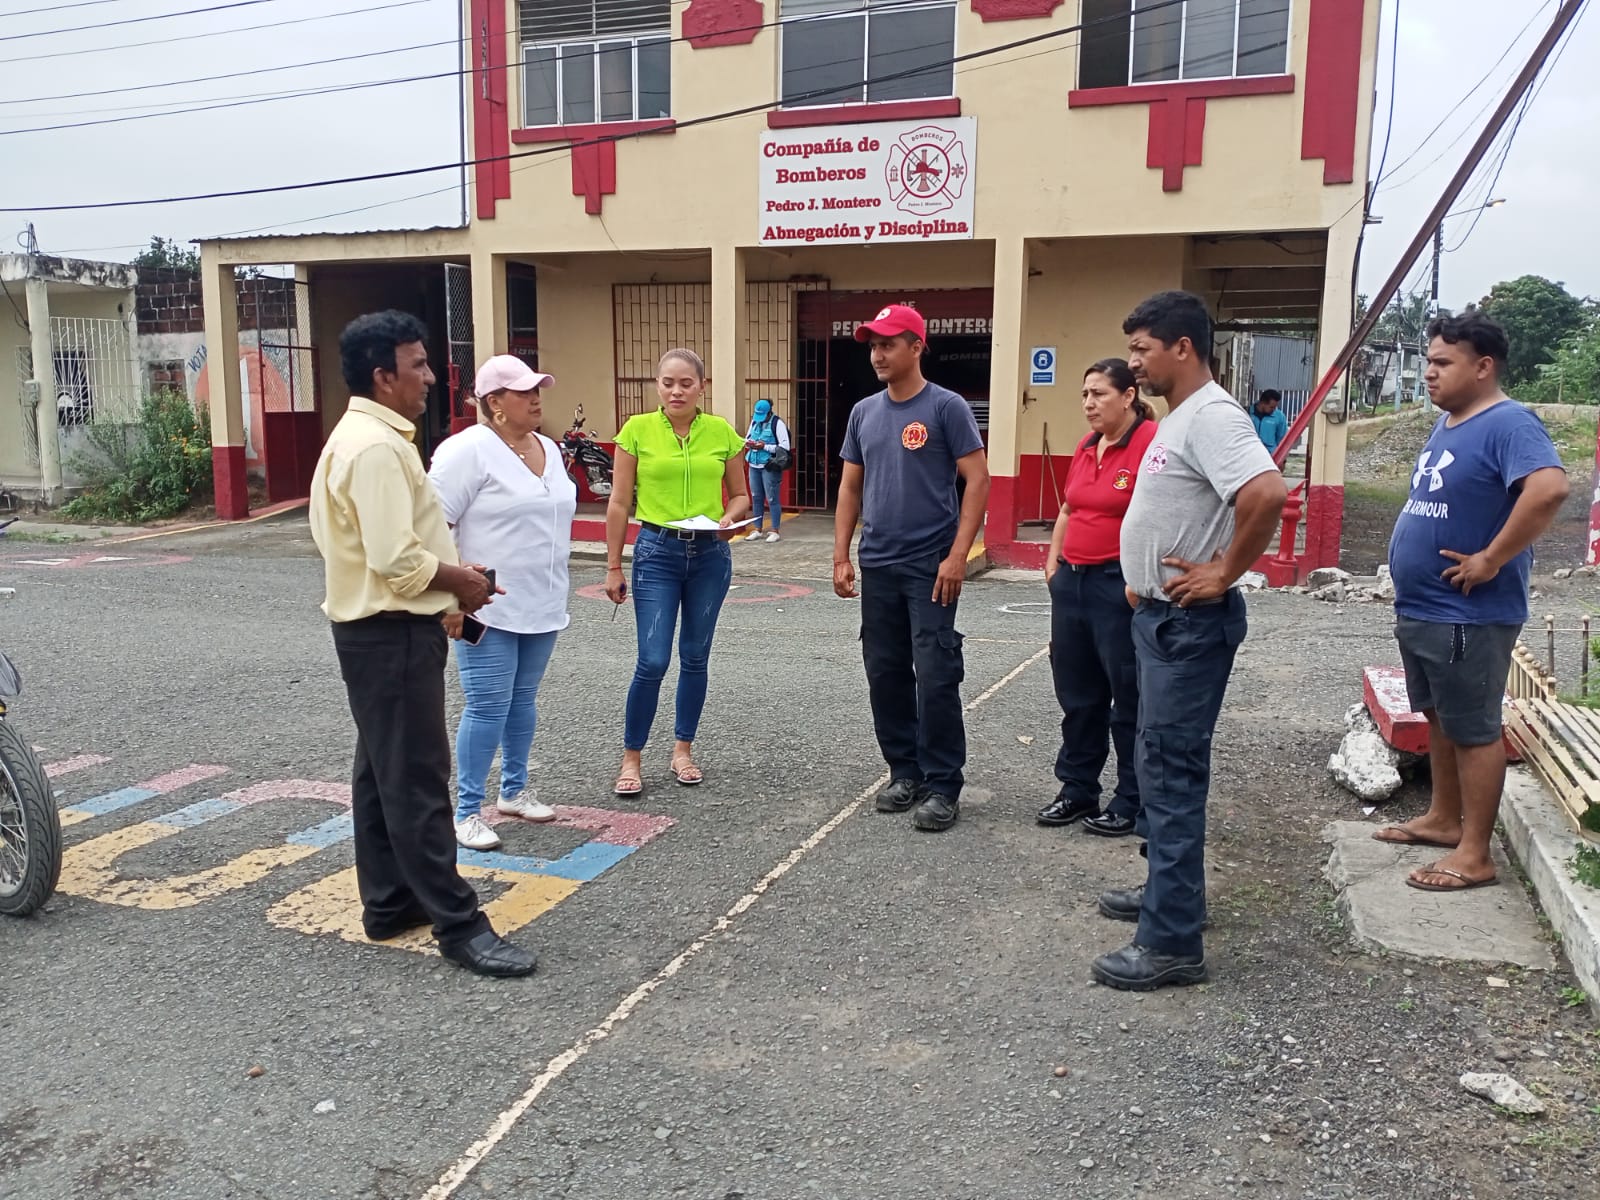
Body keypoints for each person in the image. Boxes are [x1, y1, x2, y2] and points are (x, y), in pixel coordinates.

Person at [309, 310, 537, 979]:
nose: (432, 377)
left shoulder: (358, 437)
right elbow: (398, 562)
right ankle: (459, 925)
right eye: (418, 365)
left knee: (381, 775)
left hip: (374, 632)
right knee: (414, 781)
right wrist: (461, 582)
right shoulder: (376, 449)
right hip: (391, 633)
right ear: (384, 376)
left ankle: (389, 902)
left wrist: (454, 581)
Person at [1092, 290, 1286, 992]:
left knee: (1171, 773)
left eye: (1142, 349)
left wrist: (1224, 571)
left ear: (1182, 348)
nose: (1134, 363)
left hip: (1188, 625)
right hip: (1161, 618)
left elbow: (1266, 493)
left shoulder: (1211, 416)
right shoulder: (1180, 417)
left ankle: (1171, 943)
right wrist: (1141, 577)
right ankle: (1173, 897)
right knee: (1160, 765)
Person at [1373, 312, 1567, 891]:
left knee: (1475, 727)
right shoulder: (1450, 423)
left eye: (1442, 363)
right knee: (1439, 715)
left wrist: (1491, 558)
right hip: (1426, 608)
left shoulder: (1509, 423)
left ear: (1483, 367)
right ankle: (1442, 818)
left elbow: (1549, 488)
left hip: (1468, 614)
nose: (1429, 373)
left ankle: (1475, 853)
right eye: (1428, 361)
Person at [834, 304, 990, 833]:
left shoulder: (946, 407)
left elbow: (978, 481)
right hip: (878, 563)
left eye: (888, 344)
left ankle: (944, 783)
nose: (878, 354)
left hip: (931, 566)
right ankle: (905, 771)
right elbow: (850, 487)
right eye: (873, 346)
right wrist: (841, 555)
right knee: (885, 672)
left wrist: (958, 556)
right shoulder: (864, 413)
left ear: (917, 347)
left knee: (937, 674)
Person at [427, 355, 577, 852]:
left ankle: (514, 790)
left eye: (538, 390)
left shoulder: (547, 448)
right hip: (485, 604)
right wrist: (451, 597)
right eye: (523, 392)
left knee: (523, 700)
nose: (536, 399)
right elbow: (432, 526)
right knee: (488, 705)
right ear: (494, 401)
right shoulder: (466, 451)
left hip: (543, 600)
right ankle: (467, 811)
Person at [604, 348, 751, 795]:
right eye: (667, 383)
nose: (676, 391)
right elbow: (618, 502)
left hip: (710, 554)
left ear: (701, 387)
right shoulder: (636, 431)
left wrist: (730, 518)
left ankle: (683, 750)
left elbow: (741, 495)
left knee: (695, 655)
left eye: (686, 383)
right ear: (657, 385)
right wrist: (613, 565)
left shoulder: (720, 432)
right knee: (652, 659)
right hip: (657, 552)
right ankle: (632, 758)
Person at [1038, 359, 1157, 838]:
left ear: (1128, 396)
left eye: (1099, 394)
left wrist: (1137, 580)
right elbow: (1069, 508)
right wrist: (1053, 563)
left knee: (1127, 698)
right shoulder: (1088, 445)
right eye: (1085, 394)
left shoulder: (1150, 443)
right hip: (1073, 583)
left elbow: (1161, 515)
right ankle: (1077, 788)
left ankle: (1130, 798)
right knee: (1078, 695)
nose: (1089, 403)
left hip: (1117, 586)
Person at [743, 398, 792, 543]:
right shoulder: (754, 422)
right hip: (754, 465)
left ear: (769, 412)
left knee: (772, 498)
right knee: (756, 497)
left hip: (769, 466)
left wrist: (764, 446)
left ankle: (775, 530)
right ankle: (757, 529)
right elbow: (747, 438)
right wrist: (749, 444)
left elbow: (785, 447)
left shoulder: (778, 424)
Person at [1250, 389, 1289, 453]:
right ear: (1262, 403)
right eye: (1271, 407)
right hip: (1250, 453)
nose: (1274, 410)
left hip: (1270, 455)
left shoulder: (1280, 417)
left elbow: (1282, 439)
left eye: (1275, 407)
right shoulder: (1247, 413)